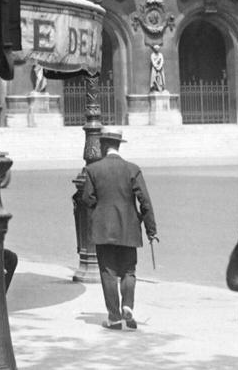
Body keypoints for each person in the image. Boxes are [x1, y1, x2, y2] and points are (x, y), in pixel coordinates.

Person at [78, 127, 158, 331]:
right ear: (119, 145)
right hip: (129, 228)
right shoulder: (132, 169)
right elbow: (145, 202)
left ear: (103, 145)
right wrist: (151, 229)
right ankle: (128, 305)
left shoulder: (93, 170)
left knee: (108, 272)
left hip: (103, 229)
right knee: (129, 271)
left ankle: (114, 317)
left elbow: (87, 198)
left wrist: (101, 207)